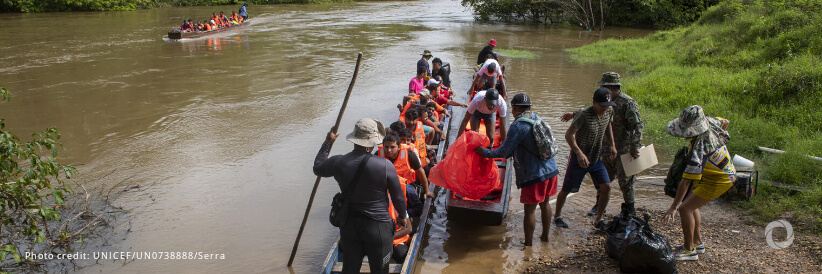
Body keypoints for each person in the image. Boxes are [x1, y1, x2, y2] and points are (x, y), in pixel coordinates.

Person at [313, 118, 410, 274]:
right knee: (379, 270)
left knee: (350, 269)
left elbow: (317, 167)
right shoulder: (385, 166)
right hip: (378, 228)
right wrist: (402, 216)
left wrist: (327, 143)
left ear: (355, 139)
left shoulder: (338, 161)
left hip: (349, 225)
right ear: (373, 141)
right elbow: (398, 197)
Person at [474, 93, 560, 246]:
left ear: (513, 109)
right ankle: (545, 238)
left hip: (535, 175)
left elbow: (503, 152)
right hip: (551, 169)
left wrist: (484, 152)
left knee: (530, 211)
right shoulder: (536, 117)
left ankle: (528, 246)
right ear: (529, 108)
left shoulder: (518, 126)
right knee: (545, 204)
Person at [561, 72, 644, 217]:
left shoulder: (627, 103)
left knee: (626, 181)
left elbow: (637, 126)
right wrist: (574, 114)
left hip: (623, 149)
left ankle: (629, 209)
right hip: (605, 148)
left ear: (609, 86)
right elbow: (592, 110)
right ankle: (600, 207)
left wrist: (634, 146)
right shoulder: (605, 100)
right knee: (603, 181)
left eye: (602, 85)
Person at [663, 105, 734, 261]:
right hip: (717, 172)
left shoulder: (699, 150)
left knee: (684, 208)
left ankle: (689, 250)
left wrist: (673, 207)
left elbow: (685, 182)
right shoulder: (711, 122)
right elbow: (726, 122)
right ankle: (697, 242)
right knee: (691, 203)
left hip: (719, 179)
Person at [553, 88, 617, 229]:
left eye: (607, 106)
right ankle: (557, 216)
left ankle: (598, 219)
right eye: (602, 106)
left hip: (595, 158)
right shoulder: (583, 115)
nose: (605, 109)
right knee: (566, 189)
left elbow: (608, 126)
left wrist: (612, 145)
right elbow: (569, 135)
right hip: (578, 160)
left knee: (606, 187)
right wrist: (579, 153)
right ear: (594, 102)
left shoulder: (608, 111)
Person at [376, 132, 435, 199]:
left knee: (413, 198)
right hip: (386, 187)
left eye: (392, 147)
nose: (389, 150)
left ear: (398, 147)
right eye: (386, 147)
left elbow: (420, 172)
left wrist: (427, 191)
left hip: (406, 186)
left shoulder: (409, 154)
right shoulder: (377, 155)